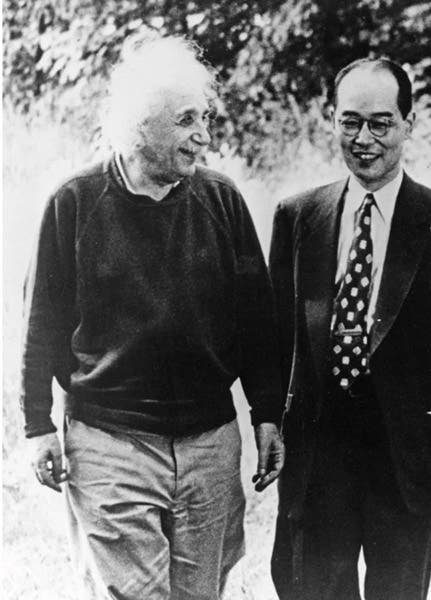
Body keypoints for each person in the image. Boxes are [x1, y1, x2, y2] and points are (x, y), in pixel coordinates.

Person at [20, 35, 284, 599]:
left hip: (209, 443)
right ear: (139, 126)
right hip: (110, 442)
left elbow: (258, 322)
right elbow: (40, 325)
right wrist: (38, 427)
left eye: (205, 117)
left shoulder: (222, 200)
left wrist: (267, 415)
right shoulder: (74, 202)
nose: (203, 135)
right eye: (186, 120)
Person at [268, 57, 431, 600]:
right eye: (350, 122)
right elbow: (276, 338)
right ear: (332, 121)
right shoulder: (297, 217)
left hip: (405, 454)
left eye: (381, 123)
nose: (364, 139)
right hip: (319, 451)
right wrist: (267, 419)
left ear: (408, 124)